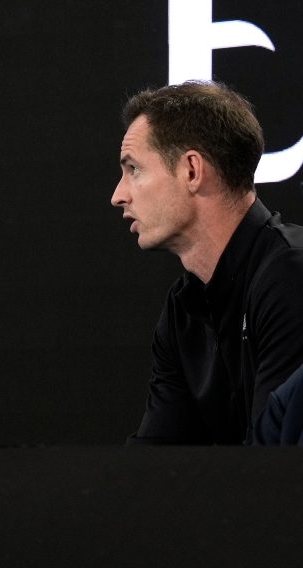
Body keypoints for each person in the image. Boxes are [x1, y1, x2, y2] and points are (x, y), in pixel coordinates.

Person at [111, 80, 303, 445]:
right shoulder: (182, 308)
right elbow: (155, 466)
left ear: (192, 171)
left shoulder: (292, 277)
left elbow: (276, 472)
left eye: (133, 169)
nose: (118, 195)